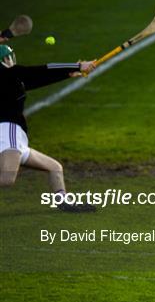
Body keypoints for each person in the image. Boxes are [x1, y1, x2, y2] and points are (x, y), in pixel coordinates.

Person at [0, 44, 96, 212]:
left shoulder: (10, 80)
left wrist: (68, 73)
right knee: (7, 179)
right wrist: (78, 66)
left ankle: (64, 203)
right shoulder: (9, 74)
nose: (11, 60)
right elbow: (43, 70)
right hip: (9, 133)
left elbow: (39, 79)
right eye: (8, 57)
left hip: (16, 139)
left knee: (54, 167)